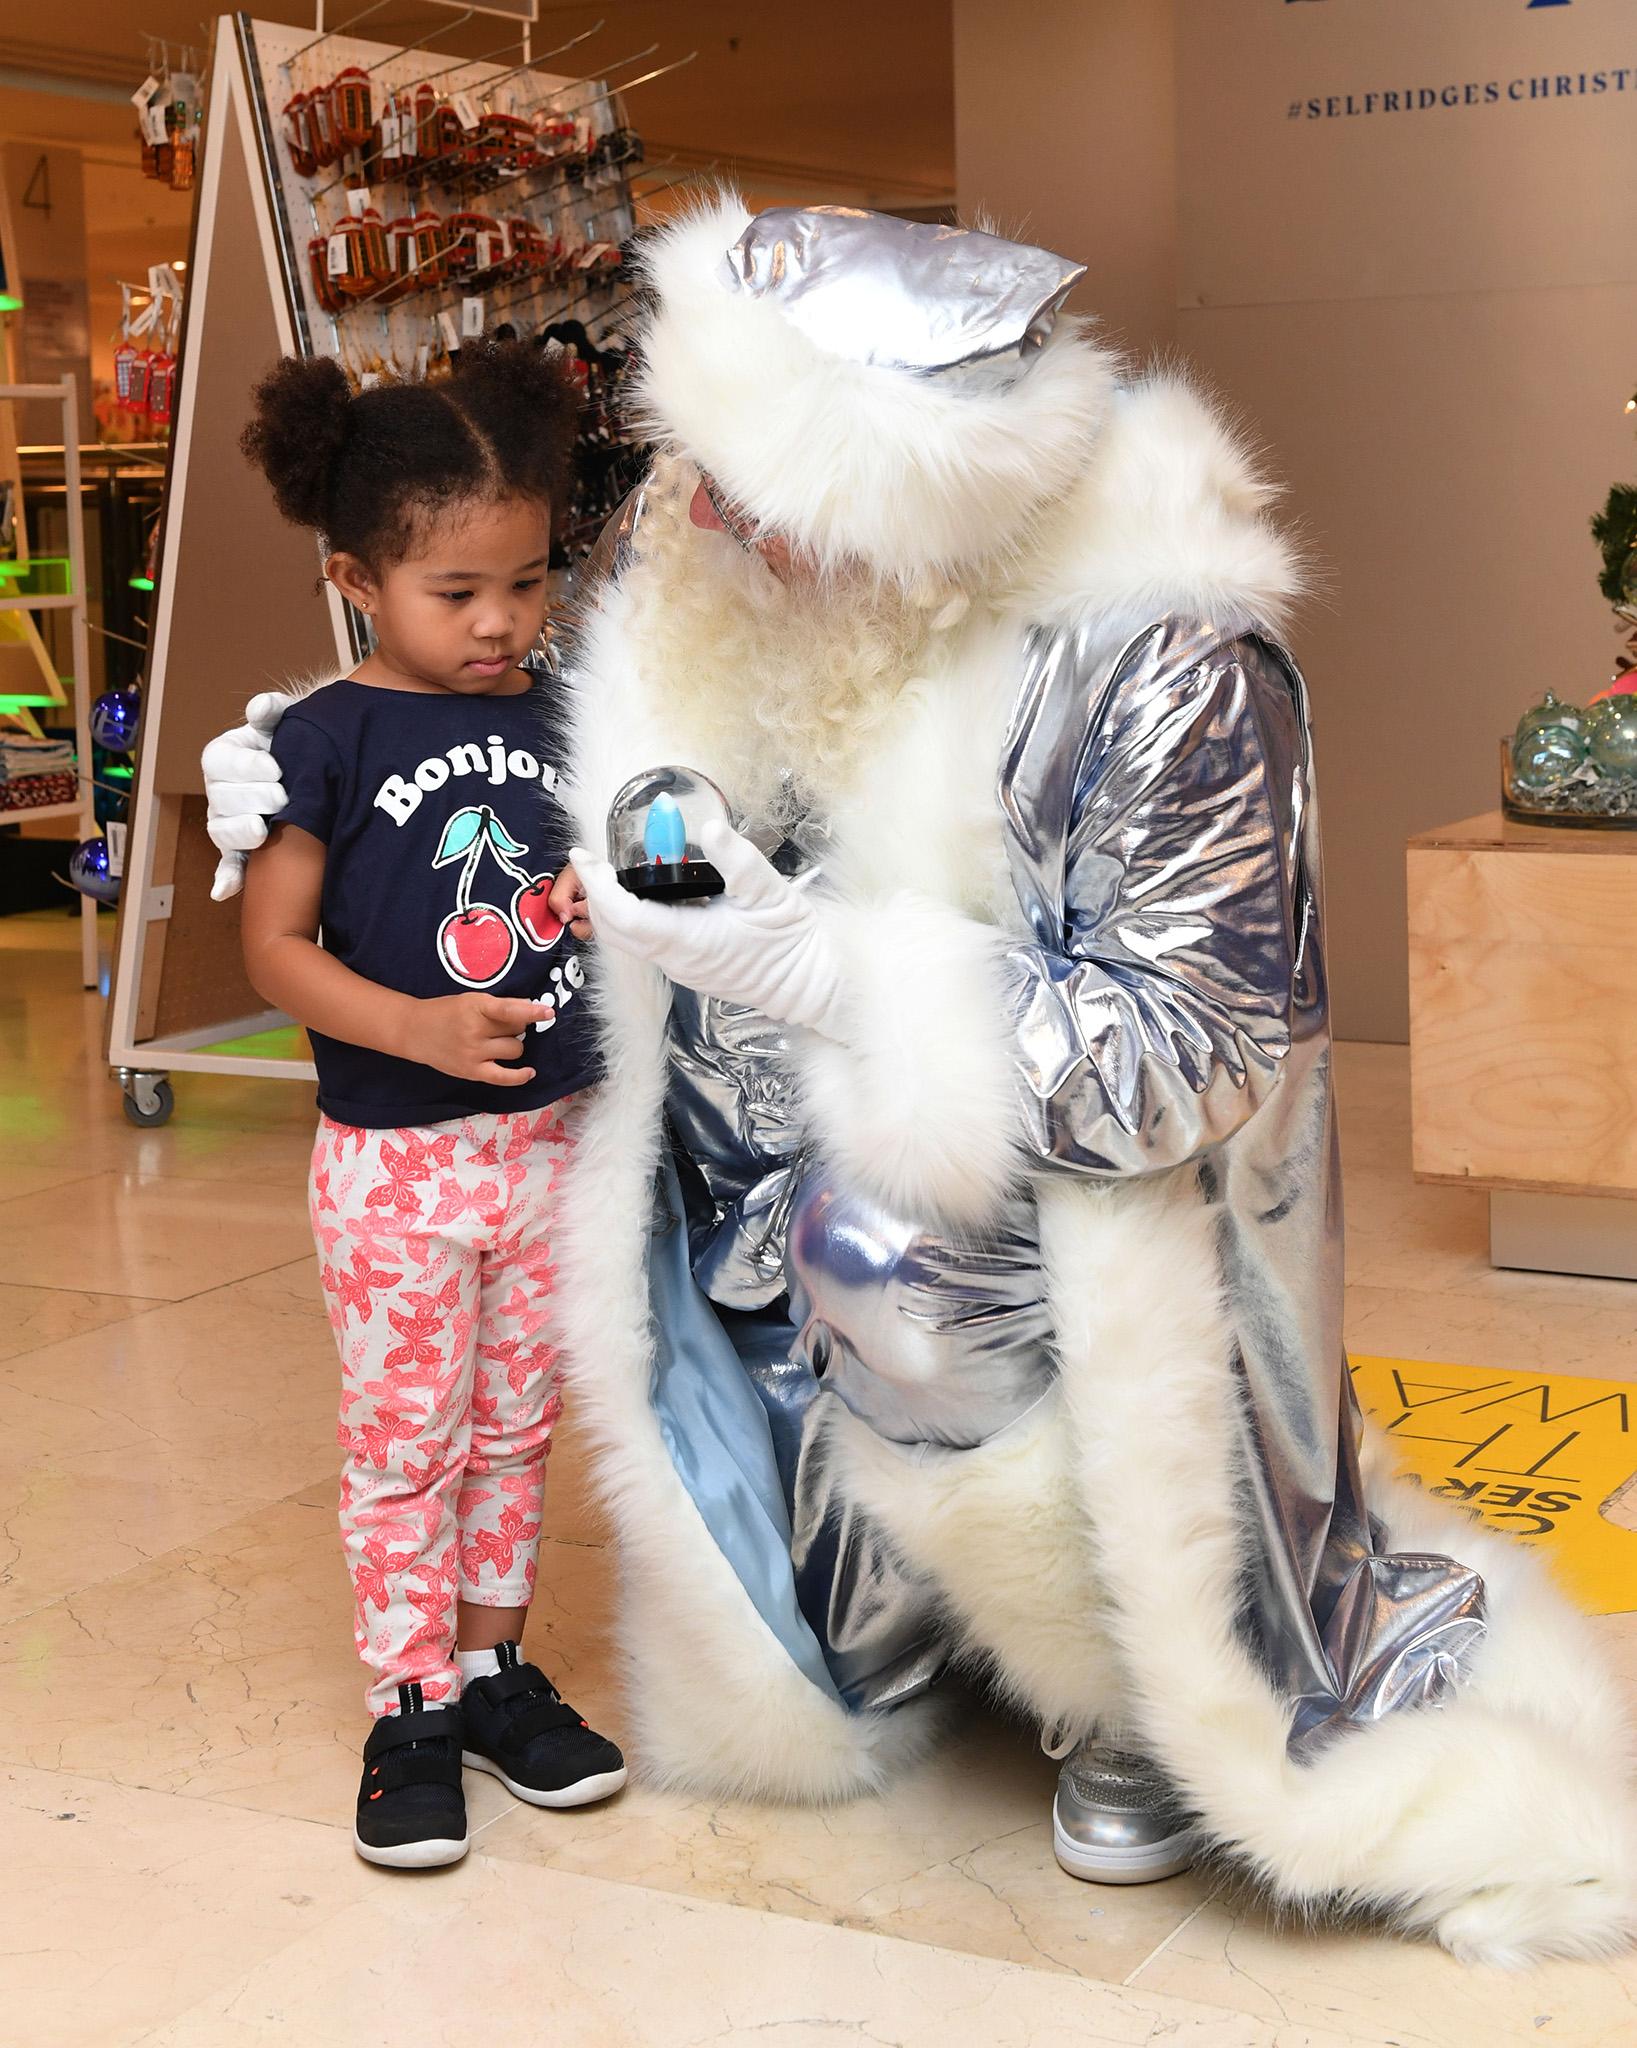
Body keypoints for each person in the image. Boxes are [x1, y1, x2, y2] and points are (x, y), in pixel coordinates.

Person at [205, 202, 1632, 1958]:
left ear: (906, 501)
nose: (696, 517)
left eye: (752, 487)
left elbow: (1178, 1055)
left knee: (895, 1270)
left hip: (1032, 1235)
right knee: (727, 1301)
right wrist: (300, 753)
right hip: (751, 1200)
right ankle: (882, 1613)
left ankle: (1119, 1685)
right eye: (698, 468)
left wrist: (824, 968)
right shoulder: (729, 580)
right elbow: (496, 715)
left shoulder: (1155, 655)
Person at [231, 340, 624, 1869]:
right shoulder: (320, 736)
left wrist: (609, 889)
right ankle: (407, 1704)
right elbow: (272, 948)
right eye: (454, 593)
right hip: (396, 1163)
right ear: (354, 577)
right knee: (409, 1438)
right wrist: (408, 1023)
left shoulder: (567, 706)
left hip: (551, 1145)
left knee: (518, 1429)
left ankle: (491, 1672)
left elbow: (610, 858)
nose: (499, 621)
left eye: (525, 583)